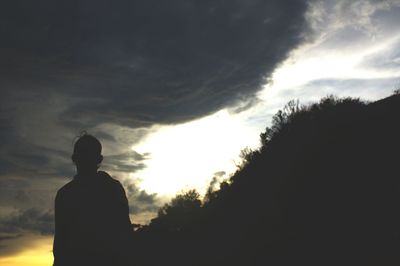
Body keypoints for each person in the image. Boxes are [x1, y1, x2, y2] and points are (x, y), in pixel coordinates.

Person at [53, 133, 132, 266]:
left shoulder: (65, 194)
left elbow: (60, 244)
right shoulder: (112, 188)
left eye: (88, 154)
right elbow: (61, 243)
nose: (86, 158)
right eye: (83, 154)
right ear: (100, 159)